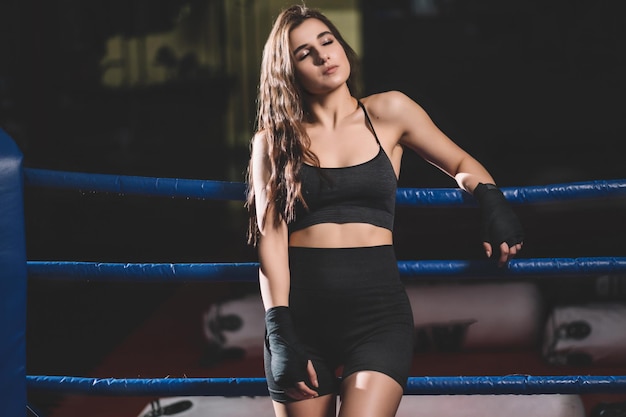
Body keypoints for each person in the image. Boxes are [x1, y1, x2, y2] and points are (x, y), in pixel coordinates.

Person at [245, 4, 524, 417]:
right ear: (288, 71)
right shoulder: (272, 141)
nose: (324, 56)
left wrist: (492, 201)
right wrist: (279, 328)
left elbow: (461, 164)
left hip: (377, 314)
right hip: (300, 317)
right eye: (305, 53)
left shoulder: (389, 112)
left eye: (327, 41)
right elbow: (270, 238)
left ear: (341, 46)